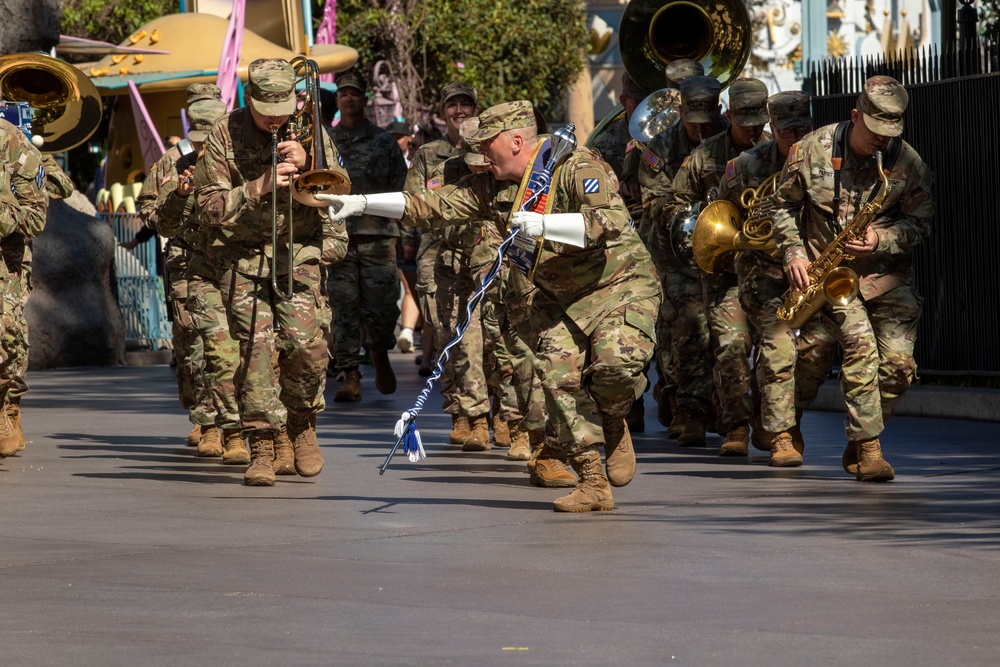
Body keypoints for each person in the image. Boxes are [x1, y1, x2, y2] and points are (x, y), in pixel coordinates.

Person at [321, 100, 662, 513]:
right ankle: (593, 481)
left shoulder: (576, 167)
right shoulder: (493, 185)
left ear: (517, 141)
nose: (480, 153)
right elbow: (430, 206)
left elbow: (608, 223)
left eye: (488, 144)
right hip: (561, 300)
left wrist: (545, 224)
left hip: (617, 287)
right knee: (557, 381)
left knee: (614, 371)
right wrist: (360, 204)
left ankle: (612, 415)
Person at [193, 58, 350, 486]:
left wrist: (309, 161)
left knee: (308, 347)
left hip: (297, 254)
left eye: (283, 111)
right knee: (254, 354)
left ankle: (301, 426)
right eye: (266, 112)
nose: (275, 120)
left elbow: (340, 193)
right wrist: (257, 186)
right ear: (250, 99)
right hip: (243, 260)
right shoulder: (224, 134)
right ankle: (263, 443)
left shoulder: (311, 131)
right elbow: (208, 209)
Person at [770, 75, 934, 481]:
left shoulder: (907, 163)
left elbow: (922, 224)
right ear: (855, 115)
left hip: (886, 276)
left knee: (899, 366)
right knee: (855, 349)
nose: (881, 140)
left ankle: (861, 435)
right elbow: (781, 207)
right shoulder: (810, 151)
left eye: (890, 132)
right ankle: (867, 448)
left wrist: (881, 238)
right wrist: (793, 253)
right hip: (830, 275)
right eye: (874, 130)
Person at [141, 84, 252, 466]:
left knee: (231, 347)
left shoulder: (239, 159)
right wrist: (180, 194)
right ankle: (209, 420)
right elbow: (154, 216)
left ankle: (231, 426)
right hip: (189, 264)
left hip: (235, 264)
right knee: (195, 346)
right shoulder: (172, 163)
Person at [670, 76, 769, 456]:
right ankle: (736, 426)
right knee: (729, 346)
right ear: (729, 116)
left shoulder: (780, 153)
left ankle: (769, 421)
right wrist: (700, 221)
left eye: (759, 122)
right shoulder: (705, 155)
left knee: (774, 349)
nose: (754, 130)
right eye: (746, 123)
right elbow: (677, 200)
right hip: (726, 270)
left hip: (770, 269)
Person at [719, 90, 815, 464]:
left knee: (816, 350)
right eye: (787, 131)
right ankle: (781, 437)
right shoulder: (744, 166)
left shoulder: (825, 158)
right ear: (771, 128)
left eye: (802, 129)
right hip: (762, 271)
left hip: (813, 270)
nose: (795, 138)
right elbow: (725, 214)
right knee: (778, 344)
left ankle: (780, 414)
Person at [638, 74, 728, 446]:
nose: (700, 130)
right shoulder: (659, 148)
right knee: (688, 327)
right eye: (693, 122)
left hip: (726, 252)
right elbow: (653, 201)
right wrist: (688, 215)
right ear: (680, 113)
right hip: (673, 254)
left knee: (725, 333)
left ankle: (723, 406)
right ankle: (687, 408)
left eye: (707, 122)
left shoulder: (733, 141)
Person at [402, 81, 480, 439]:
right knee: (448, 332)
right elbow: (409, 203)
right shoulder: (428, 154)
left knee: (483, 335)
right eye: (453, 105)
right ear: (443, 112)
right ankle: (460, 414)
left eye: (466, 104)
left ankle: (487, 415)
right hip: (437, 253)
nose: (459, 110)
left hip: (481, 251)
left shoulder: (486, 148)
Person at [326, 70, 408, 402]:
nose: (349, 98)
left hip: (378, 236)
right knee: (342, 306)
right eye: (344, 93)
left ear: (365, 99)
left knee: (383, 307)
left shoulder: (385, 142)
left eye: (355, 93)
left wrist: (405, 233)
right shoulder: (326, 141)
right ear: (338, 100)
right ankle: (350, 374)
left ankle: (379, 350)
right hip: (339, 237)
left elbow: (402, 189)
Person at [0, 116, 47, 457]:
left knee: (7, 334)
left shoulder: (17, 146)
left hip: (5, 261)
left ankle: (7, 406)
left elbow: (36, 217)